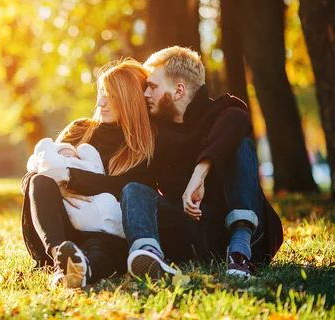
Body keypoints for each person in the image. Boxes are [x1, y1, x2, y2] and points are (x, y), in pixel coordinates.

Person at [121, 46, 283, 279]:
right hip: (198, 236)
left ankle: (239, 253)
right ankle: (149, 255)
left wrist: (201, 171)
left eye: (153, 87)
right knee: (134, 190)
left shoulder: (222, 112)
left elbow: (238, 118)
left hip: (251, 238)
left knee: (238, 143)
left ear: (179, 90)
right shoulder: (158, 134)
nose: (146, 94)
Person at [21, 58, 154, 288]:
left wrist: (70, 177)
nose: (101, 102)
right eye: (101, 93)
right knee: (39, 181)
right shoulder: (80, 130)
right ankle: (59, 259)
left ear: (129, 99)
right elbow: (33, 178)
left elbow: (124, 188)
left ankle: (84, 270)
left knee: (99, 248)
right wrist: (60, 188)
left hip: (106, 234)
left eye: (110, 96)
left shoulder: (143, 148)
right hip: (60, 228)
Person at [26, 137, 125, 238]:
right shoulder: (76, 131)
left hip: (110, 213)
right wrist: (55, 185)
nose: (68, 155)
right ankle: (58, 248)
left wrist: (69, 176)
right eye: (63, 153)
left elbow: (125, 185)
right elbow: (32, 180)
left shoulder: (138, 145)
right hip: (75, 225)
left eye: (72, 154)